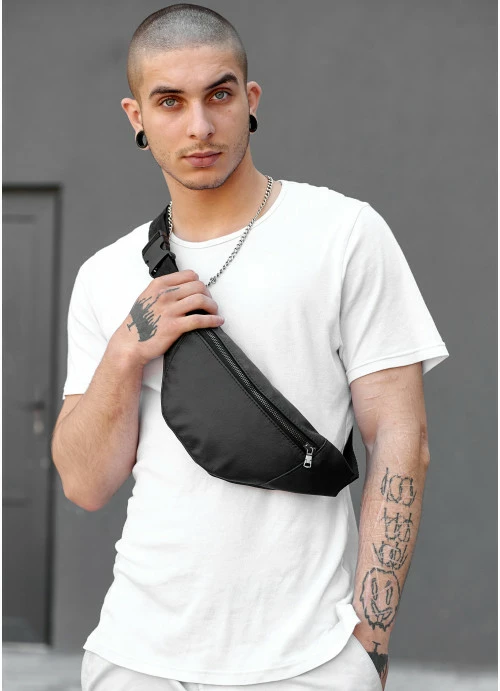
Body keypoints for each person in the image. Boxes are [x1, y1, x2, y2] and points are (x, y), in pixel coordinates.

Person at [51, 4, 449, 690]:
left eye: (219, 94)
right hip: (138, 657)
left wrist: (370, 644)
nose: (199, 125)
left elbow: (401, 438)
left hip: (310, 659)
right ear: (136, 116)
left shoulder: (343, 235)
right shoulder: (105, 275)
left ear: (250, 99)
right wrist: (124, 353)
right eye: (170, 102)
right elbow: (85, 484)